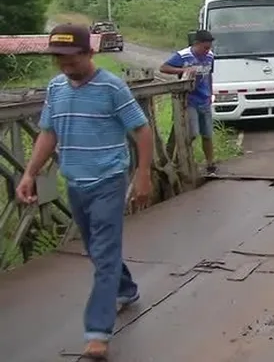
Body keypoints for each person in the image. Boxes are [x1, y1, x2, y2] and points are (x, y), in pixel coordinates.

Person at [16, 23, 153, 360]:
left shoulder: (112, 88)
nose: (64, 64)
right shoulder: (56, 88)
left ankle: (97, 332)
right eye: (58, 58)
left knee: (104, 254)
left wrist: (143, 174)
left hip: (108, 180)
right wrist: (29, 173)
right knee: (96, 249)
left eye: (71, 57)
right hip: (76, 181)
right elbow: (48, 133)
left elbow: (142, 129)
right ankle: (126, 289)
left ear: (89, 53)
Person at [159, 29, 216, 175]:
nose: (206, 50)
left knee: (208, 134)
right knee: (192, 133)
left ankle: (210, 164)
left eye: (209, 48)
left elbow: (209, 75)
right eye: (204, 47)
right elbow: (163, 68)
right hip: (189, 100)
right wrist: (184, 70)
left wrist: (210, 92)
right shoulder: (183, 55)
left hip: (204, 99)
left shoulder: (210, 56)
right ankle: (183, 161)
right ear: (196, 44)